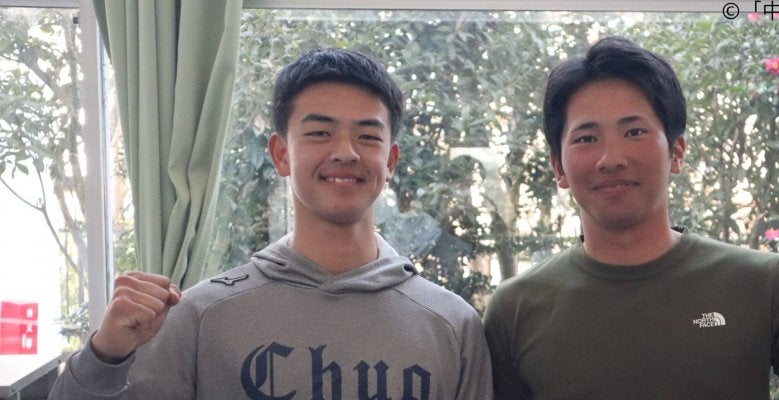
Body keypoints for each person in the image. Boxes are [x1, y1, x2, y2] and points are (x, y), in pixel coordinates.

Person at [482, 36, 779, 399]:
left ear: (676, 151)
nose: (610, 158)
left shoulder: (760, 283)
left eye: (634, 131)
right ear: (558, 167)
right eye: (586, 138)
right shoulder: (516, 309)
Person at [49, 47, 493, 400]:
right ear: (281, 154)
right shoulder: (199, 316)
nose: (345, 152)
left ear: (390, 160)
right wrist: (105, 355)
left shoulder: (452, 324)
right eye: (320, 133)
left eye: (367, 136)